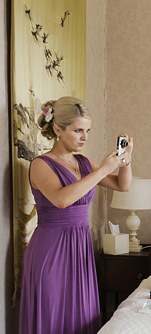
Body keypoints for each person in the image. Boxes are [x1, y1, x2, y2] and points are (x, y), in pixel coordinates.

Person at [19, 96, 133, 334]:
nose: (85, 138)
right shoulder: (41, 164)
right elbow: (61, 200)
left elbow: (122, 186)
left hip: (80, 247)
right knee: (52, 315)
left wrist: (125, 162)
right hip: (51, 249)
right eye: (78, 130)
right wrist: (103, 169)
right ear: (57, 129)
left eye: (87, 131)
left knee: (80, 315)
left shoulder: (83, 162)